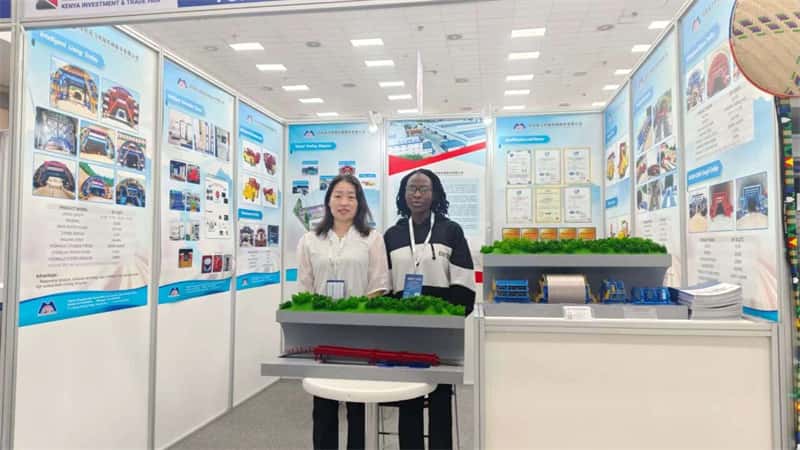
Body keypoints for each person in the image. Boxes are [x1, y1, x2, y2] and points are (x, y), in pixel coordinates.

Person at [296, 174, 391, 450]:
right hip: (322, 329)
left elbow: (379, 284)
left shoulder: (372, 238)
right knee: (323, 403)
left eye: (351, 196)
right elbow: (304, 286)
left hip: (360, 330)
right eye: (338, 195)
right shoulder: (310, 239)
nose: (344, 202)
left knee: (357, 403)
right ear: (328, 201)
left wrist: (353, 311)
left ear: (359, 203)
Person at [383, 168, 476, 450]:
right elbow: (386, 286)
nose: (417, 194)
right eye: (411, 188)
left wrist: (448, 319)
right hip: (404, 331)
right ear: (403, 194)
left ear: (435, 194)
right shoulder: (393, 235)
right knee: (408, 397)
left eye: (424, 188)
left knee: (440, 399)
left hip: (440, 331)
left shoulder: (451, 230)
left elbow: (464, 285)